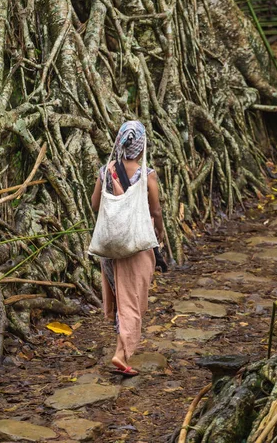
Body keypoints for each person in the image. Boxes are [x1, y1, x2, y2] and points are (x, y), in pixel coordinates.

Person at [91, 120, 165, 376]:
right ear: (142, 146)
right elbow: (155, 209)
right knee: (132, 299)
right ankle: (121, 354)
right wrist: (160, 231)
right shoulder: (147, 174)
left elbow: (94, 204)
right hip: (136, 246)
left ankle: (120, 342)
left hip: (111, 246)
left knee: (119, 295)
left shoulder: (105, 171)